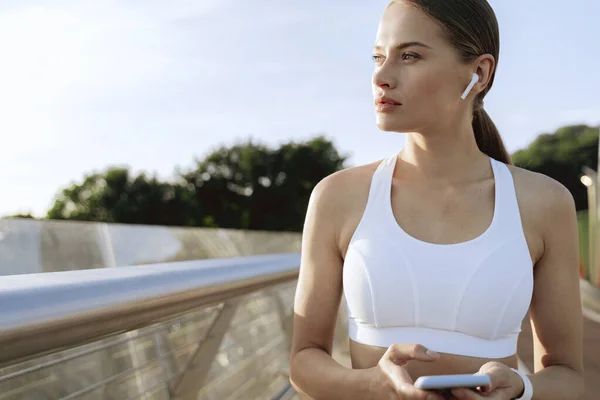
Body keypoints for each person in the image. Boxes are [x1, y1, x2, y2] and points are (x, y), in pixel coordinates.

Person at [288, 0, 585, 399]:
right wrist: (372, 385)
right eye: (378, 57)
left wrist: (522, 390)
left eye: (409, 56)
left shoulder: (545, 203)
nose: (382, 76)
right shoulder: (337, 196)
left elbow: (568, 374)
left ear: (478, 73)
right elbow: (303, 361)